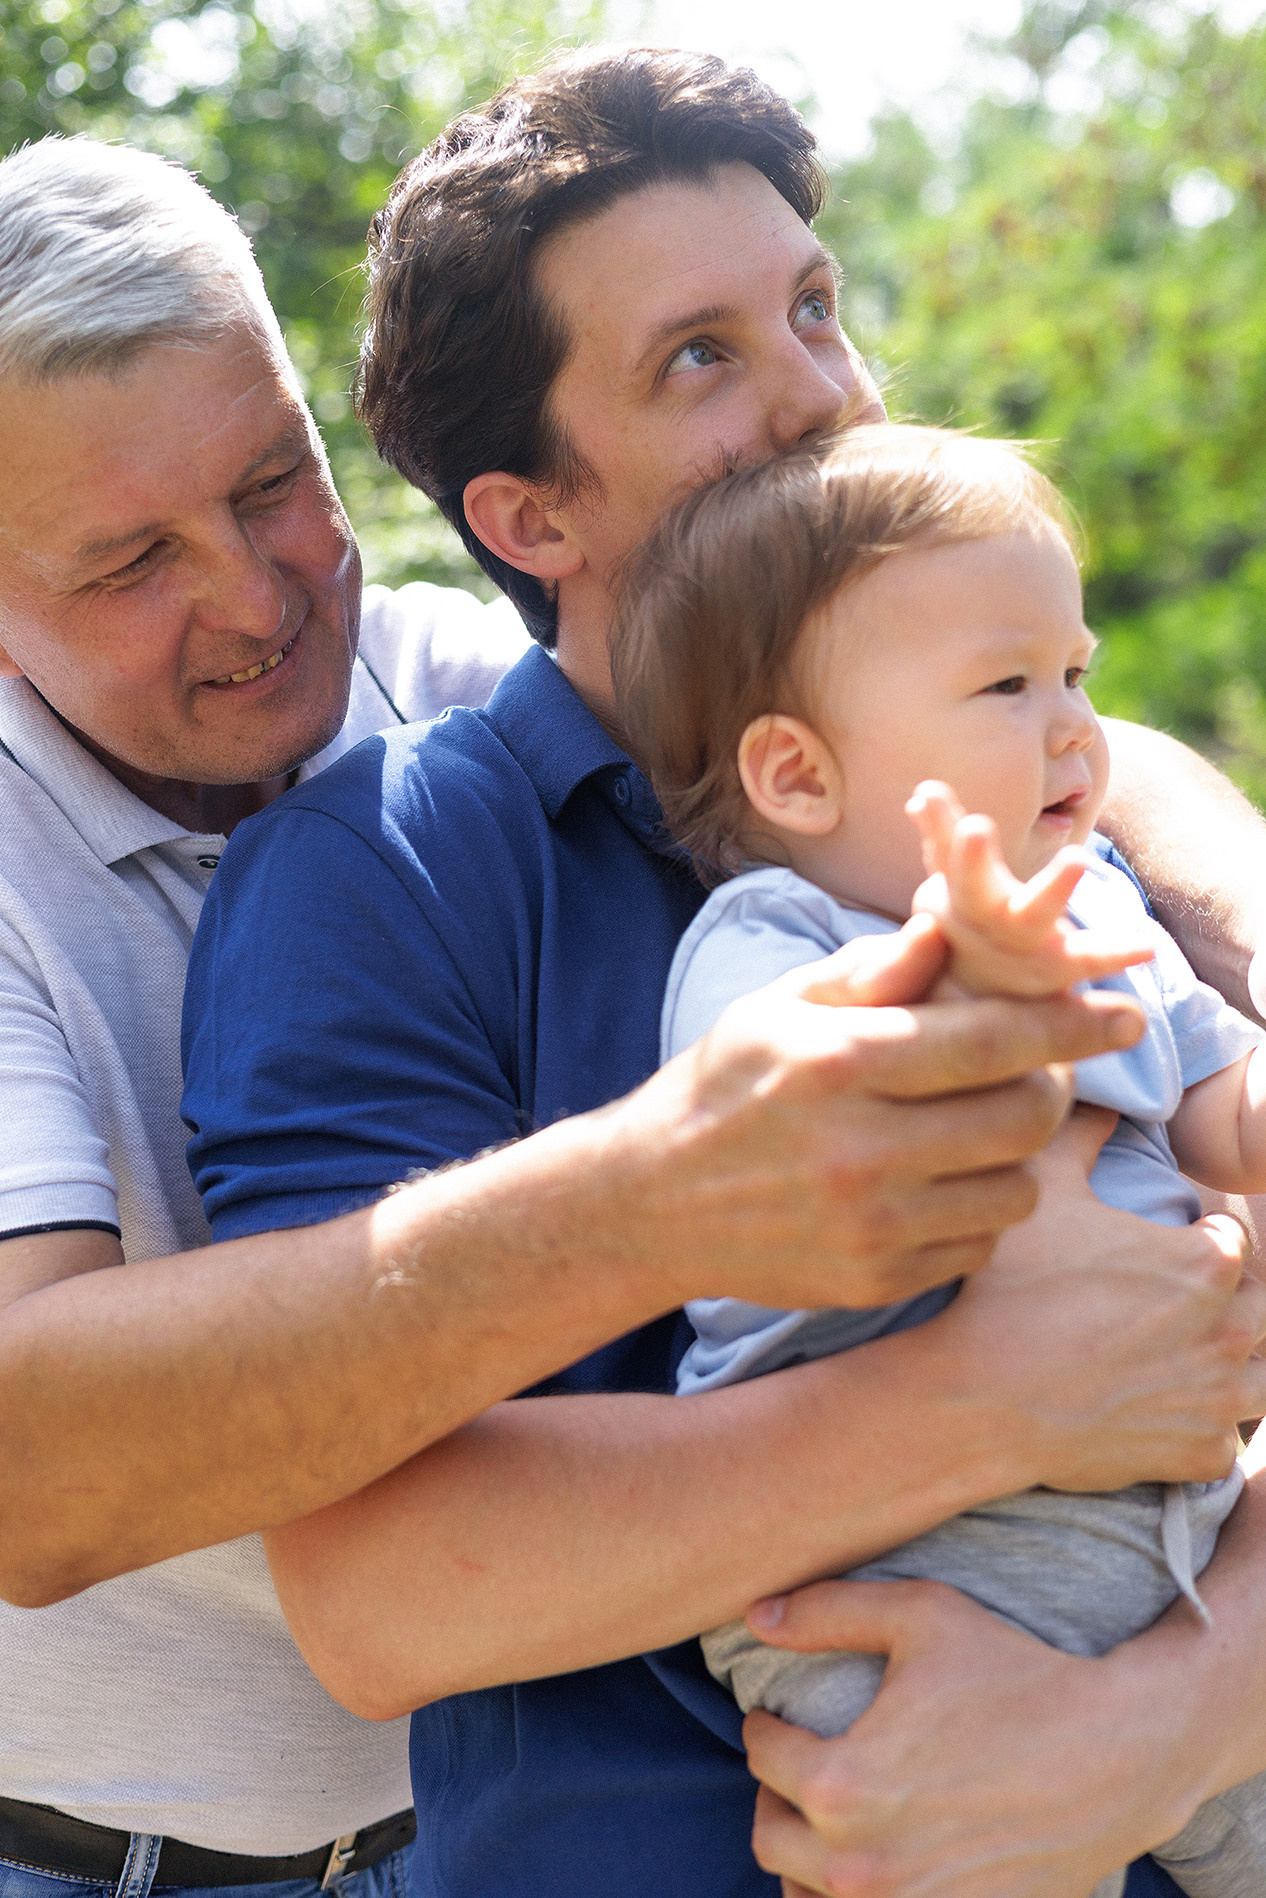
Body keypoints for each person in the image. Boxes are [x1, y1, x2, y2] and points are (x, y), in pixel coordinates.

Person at [0, 117, 1207, 1898]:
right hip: (138, 1847)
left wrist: (1186, 1707)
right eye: (128, 564)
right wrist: (705, 1207)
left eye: (274, 485)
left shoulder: (518, 688)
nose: (261, 602)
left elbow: (1107, 777)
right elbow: (49, 1474)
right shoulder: (378, 864)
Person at [615, 420, 1266, 1898]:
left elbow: (1224, 1110)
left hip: (1172, 1558)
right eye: (1005, 684)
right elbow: (798, 1135)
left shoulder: (1098, 897)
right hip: (896, 1585)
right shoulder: (776, 947)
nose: (1073, 731)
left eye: (1077, 674)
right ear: (793, 770)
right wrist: (963, 976)